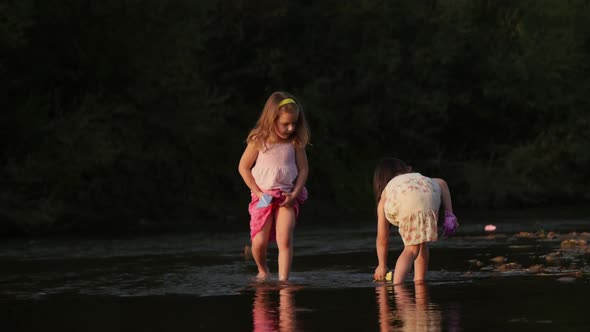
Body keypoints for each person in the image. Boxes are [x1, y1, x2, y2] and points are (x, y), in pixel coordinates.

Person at [238, 91, 310, 281]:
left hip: (287, 195)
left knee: (284, 238)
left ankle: (283, 281)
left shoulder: (295, 142)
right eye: (285, 123)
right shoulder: (258, 141)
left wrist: (295, 193)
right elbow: (243, 167)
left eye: (294, 123)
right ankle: (263, 270)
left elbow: (303, 170)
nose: (290, 128)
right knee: (259, 241)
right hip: (264, 196)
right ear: (272, 119)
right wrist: (258, 192)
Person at [373, 157, 457, 284]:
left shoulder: (389, 192)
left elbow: (382, 239)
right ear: (404, 170)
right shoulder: (417, 178)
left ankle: (398, 287)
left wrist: (382, 265)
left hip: (406, 200)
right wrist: (450, 215)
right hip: (430, 195)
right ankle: (419, 281)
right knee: (421, 242)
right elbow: (442, 183)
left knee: (411, 249)